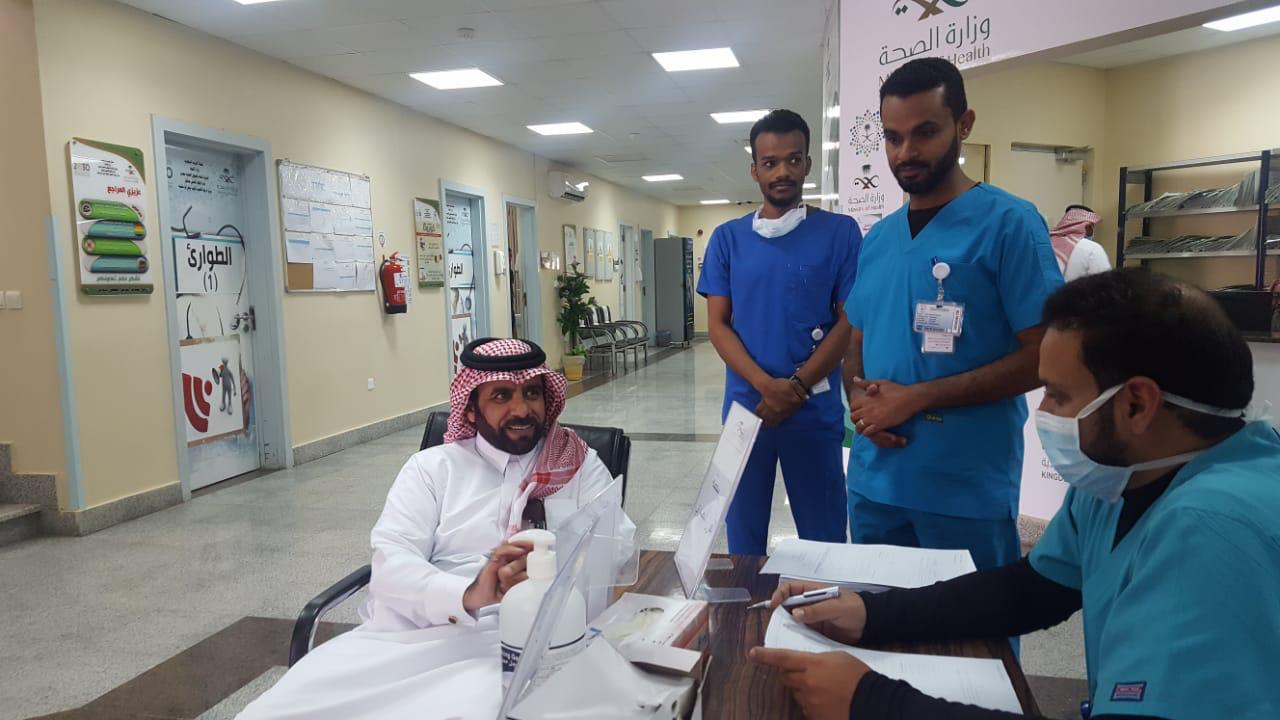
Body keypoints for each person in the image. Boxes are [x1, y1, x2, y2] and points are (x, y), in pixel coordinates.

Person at [753, 269, 1280, 719]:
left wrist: (872, 702)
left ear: (1137, 404)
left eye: (1058, 395)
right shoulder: (1123, 477)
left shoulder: (1214, 530)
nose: (1043, 413)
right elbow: (1033, 589)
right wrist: (870, 612)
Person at [239, 338, 634, 720]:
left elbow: (618, 546)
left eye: (532, 393)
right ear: (471, 410)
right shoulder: (431, 469)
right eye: (501, 396)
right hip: (409, 636)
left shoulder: (577, 463)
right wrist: (471, 593)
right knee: (274, 710)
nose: (521, 409)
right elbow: (391, 563)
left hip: (528, 641)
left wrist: (551, 566)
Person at [843, 57, 1064, 570]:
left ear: (964, 124)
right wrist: (859, 400)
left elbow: (1045, 356)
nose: (906, 152)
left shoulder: (1010, 224)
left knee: (970, 620)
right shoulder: (878, 239)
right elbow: (856, 336)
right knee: (875, 613)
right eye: (893, 137)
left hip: (964, 489)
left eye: (925, 132)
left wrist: (917, 397)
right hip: (876, 483)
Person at [698, 109, 863, 555]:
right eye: (770, 162)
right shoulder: (727, 239)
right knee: (743, 537)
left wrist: (797, 386)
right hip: (746, 408)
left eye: (793, 159)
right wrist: (766, 385)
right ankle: (747, 604)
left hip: (812, 408)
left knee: (824, 537)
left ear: (808, 163)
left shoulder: (840, 233)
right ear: (754, 170)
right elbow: (718, 325)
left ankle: (822, 602)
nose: (782, 172)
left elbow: (848, 321)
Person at [1051, 205, 1111, 281]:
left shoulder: (1047, 243)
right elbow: (1105, 283)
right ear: (1088, 228)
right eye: (1092, 227)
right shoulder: (1093, 249)